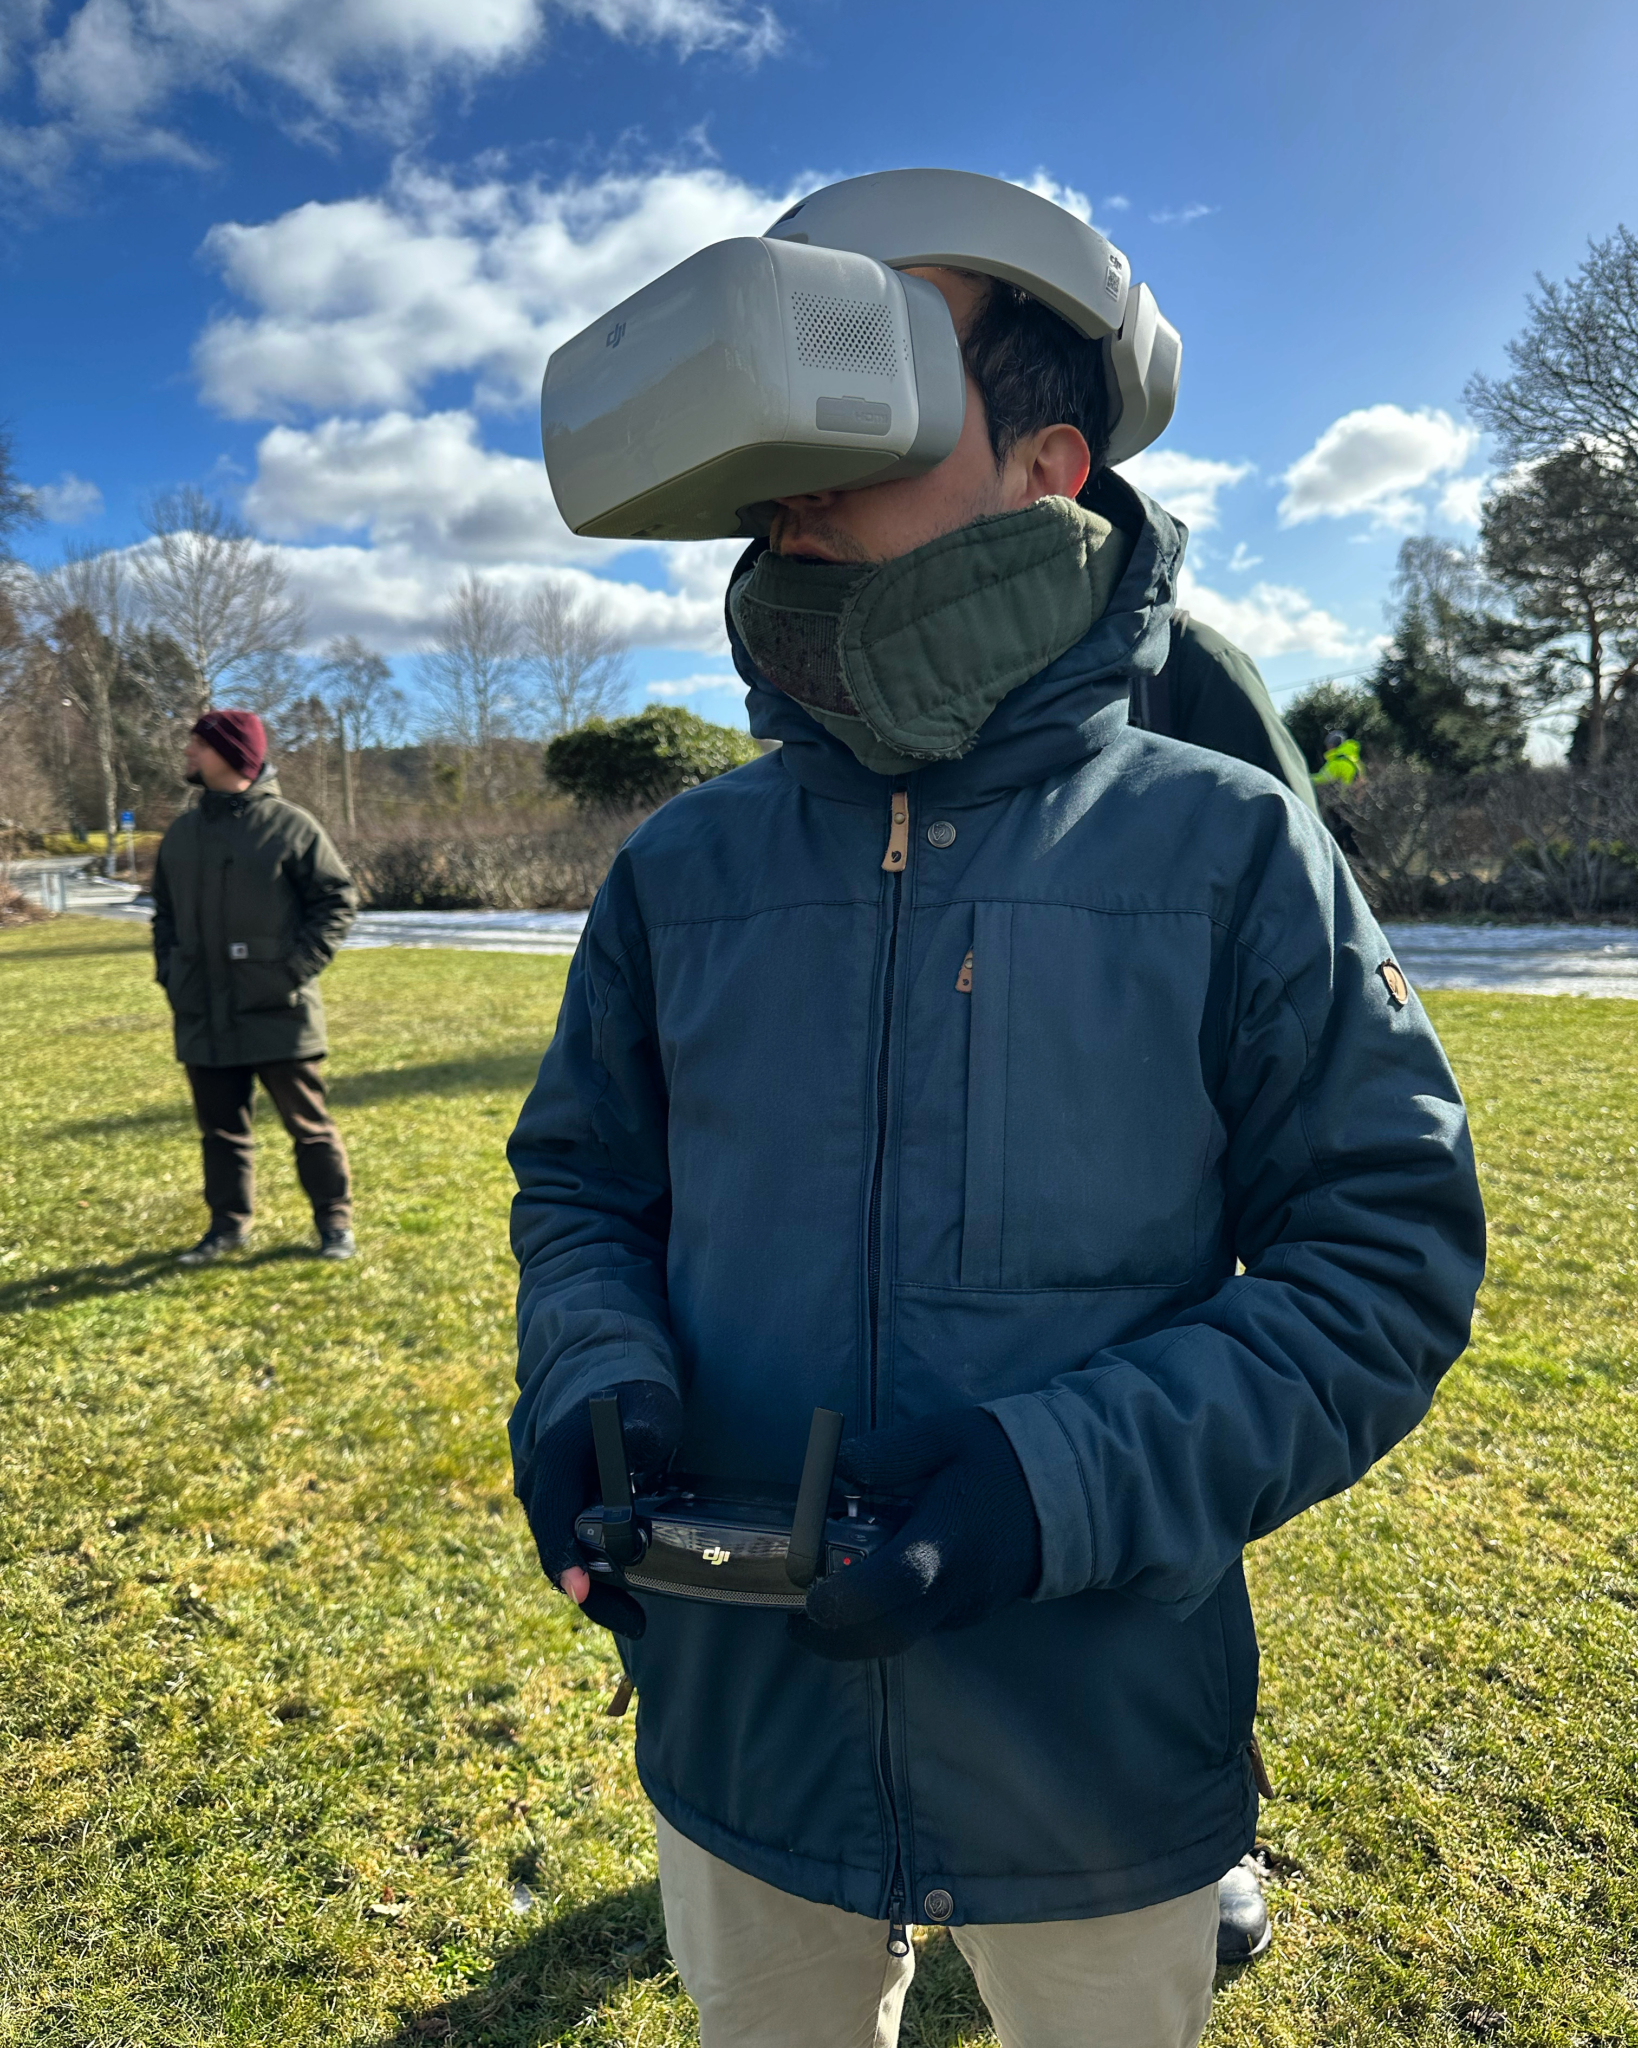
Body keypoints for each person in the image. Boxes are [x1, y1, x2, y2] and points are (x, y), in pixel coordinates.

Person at [508, 211, 1485, 2047]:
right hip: (743, 1730)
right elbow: (582, 1185)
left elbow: (1382, 1258)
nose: (796, 476)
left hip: (1094, 1747)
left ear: (1050, 466)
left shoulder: (1225, 848)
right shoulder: (678, 868)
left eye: (872, 377)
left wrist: (1056, 1486)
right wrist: (587, 1376)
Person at [151, 710, 359, 1266]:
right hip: (203, 1010)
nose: (189, 752)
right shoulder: (182, 834)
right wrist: (171, 973)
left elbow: (337, 901)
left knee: (309, 1128)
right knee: (220, 1132)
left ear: (233, 754)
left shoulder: (291, 827)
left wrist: (291, 970)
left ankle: (335, 1224)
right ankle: (227, 1227)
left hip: (278, 1011)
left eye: (199, 744)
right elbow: (163, 915)